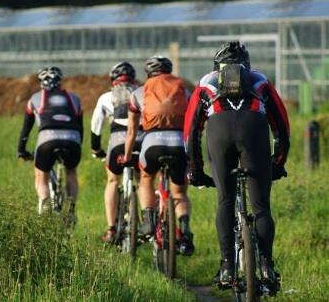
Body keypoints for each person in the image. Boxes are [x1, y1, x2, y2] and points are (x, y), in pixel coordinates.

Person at [183, 41, 289, 291]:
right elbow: (281, 126)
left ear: (216, 66)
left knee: (225, 201)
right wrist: (277, 162)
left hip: (219, 134)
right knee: (261, 205)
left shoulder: (205, 82)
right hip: (254, 131)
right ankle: (266, 267)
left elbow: (191, 132)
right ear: (246, 65)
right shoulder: (260, 80)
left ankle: (227, 267)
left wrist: (196, 171)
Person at [123, 55, 194, 256]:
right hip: (179, 143)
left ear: (148, 73)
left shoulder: (138, 92)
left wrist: (127, 156)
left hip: (152, 143)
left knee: (146, 179)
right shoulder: (183, 90)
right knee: (179, 193)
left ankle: (148, 219)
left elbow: (131, 131)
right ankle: (184, 230)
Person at [17, 66, 83, 223]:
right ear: (60, 82)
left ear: (41, 83)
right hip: (72, 140)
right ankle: (71, 210)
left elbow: (26, 128)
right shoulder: (74, 98)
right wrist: (77, 145)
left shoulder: (35, 98)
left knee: (41, 175)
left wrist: (21, 150)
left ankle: (45, 204)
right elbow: (80, 128)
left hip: (47, 139)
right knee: (71, 172)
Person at [91, 61, 143, 243]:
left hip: (118, 141)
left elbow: (96, 126)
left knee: (113, 180)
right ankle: (146, 223)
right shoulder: (143, 93)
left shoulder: (106, 97)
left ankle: (111, 228)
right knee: (144, 179)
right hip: (141, 139)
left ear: (113, 79)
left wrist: (96, 149)